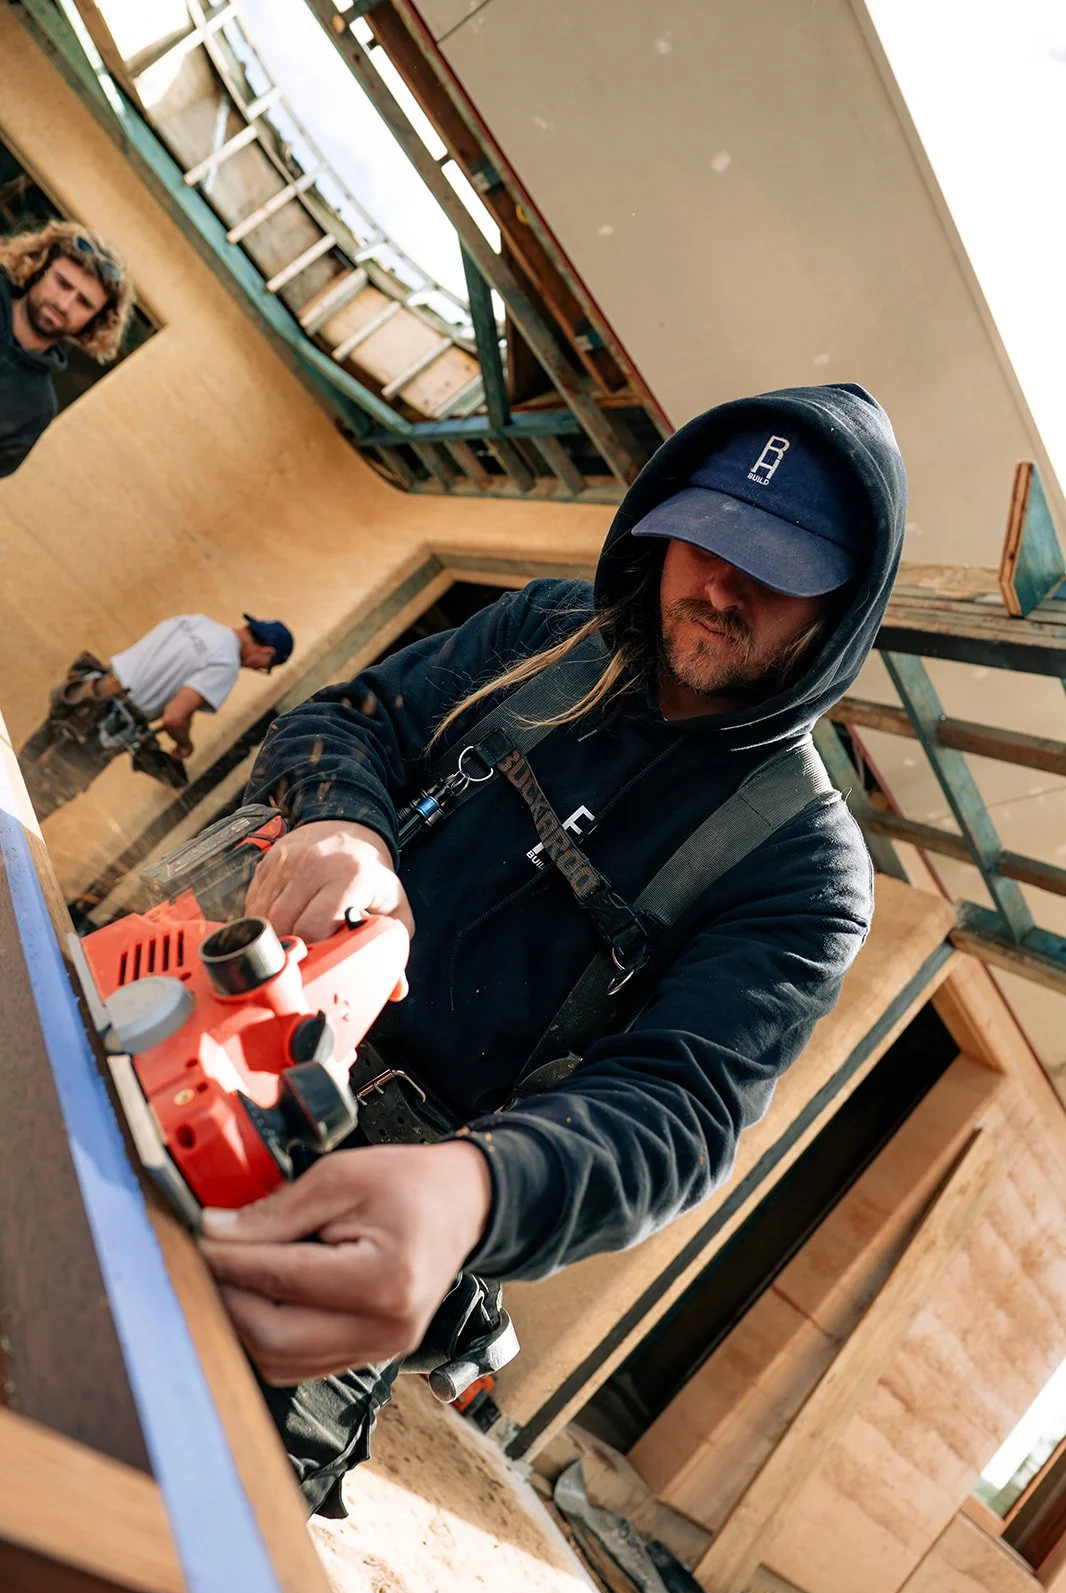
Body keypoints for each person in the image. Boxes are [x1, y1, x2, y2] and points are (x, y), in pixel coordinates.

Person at [198, 382, 906, 1514]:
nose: (721, 584)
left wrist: (474, 1192)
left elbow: (674, 1109)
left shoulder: (807, 872)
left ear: (839, 613)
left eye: (774, 570)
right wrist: (345, 820)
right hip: (229, 1048)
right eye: (709, 539)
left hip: (379, 1204)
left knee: (212, 1500)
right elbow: (350, 720)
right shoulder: (540, 631)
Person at [19, 613, 294, 820]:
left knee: (16, 772)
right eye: (264, 667)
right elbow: (175, 716)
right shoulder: (227, 663)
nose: (255, 668)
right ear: (267, 653)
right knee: (40, 799)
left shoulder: (195, 621)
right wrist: (184, 744)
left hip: (89, 694)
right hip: (104, 727)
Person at [0, 220, 136, 477]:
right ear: (39, 268)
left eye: (83, 302)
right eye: (62, 283)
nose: (63, 304)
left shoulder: (36, 407)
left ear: (94, 322)